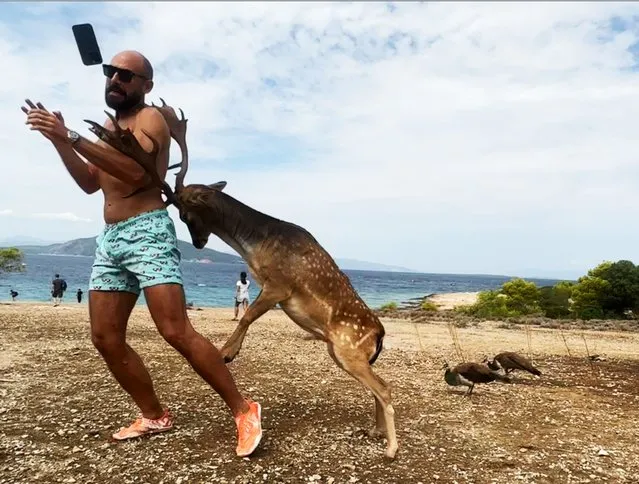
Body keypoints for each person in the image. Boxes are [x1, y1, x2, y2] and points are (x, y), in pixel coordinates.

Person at [22, 50, 262, 457]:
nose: (116, 79)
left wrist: (72, 137)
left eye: (127, 75)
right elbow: (88, 183)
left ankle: (244, 409)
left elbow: (136, 174)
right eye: (110, 72)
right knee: (105, 337)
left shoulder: (150, 119)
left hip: (148, 233)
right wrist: (58, 141)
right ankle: (154, 414)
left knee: (174, 330)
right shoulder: (108, 130)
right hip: (112, 237)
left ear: (146, 85)